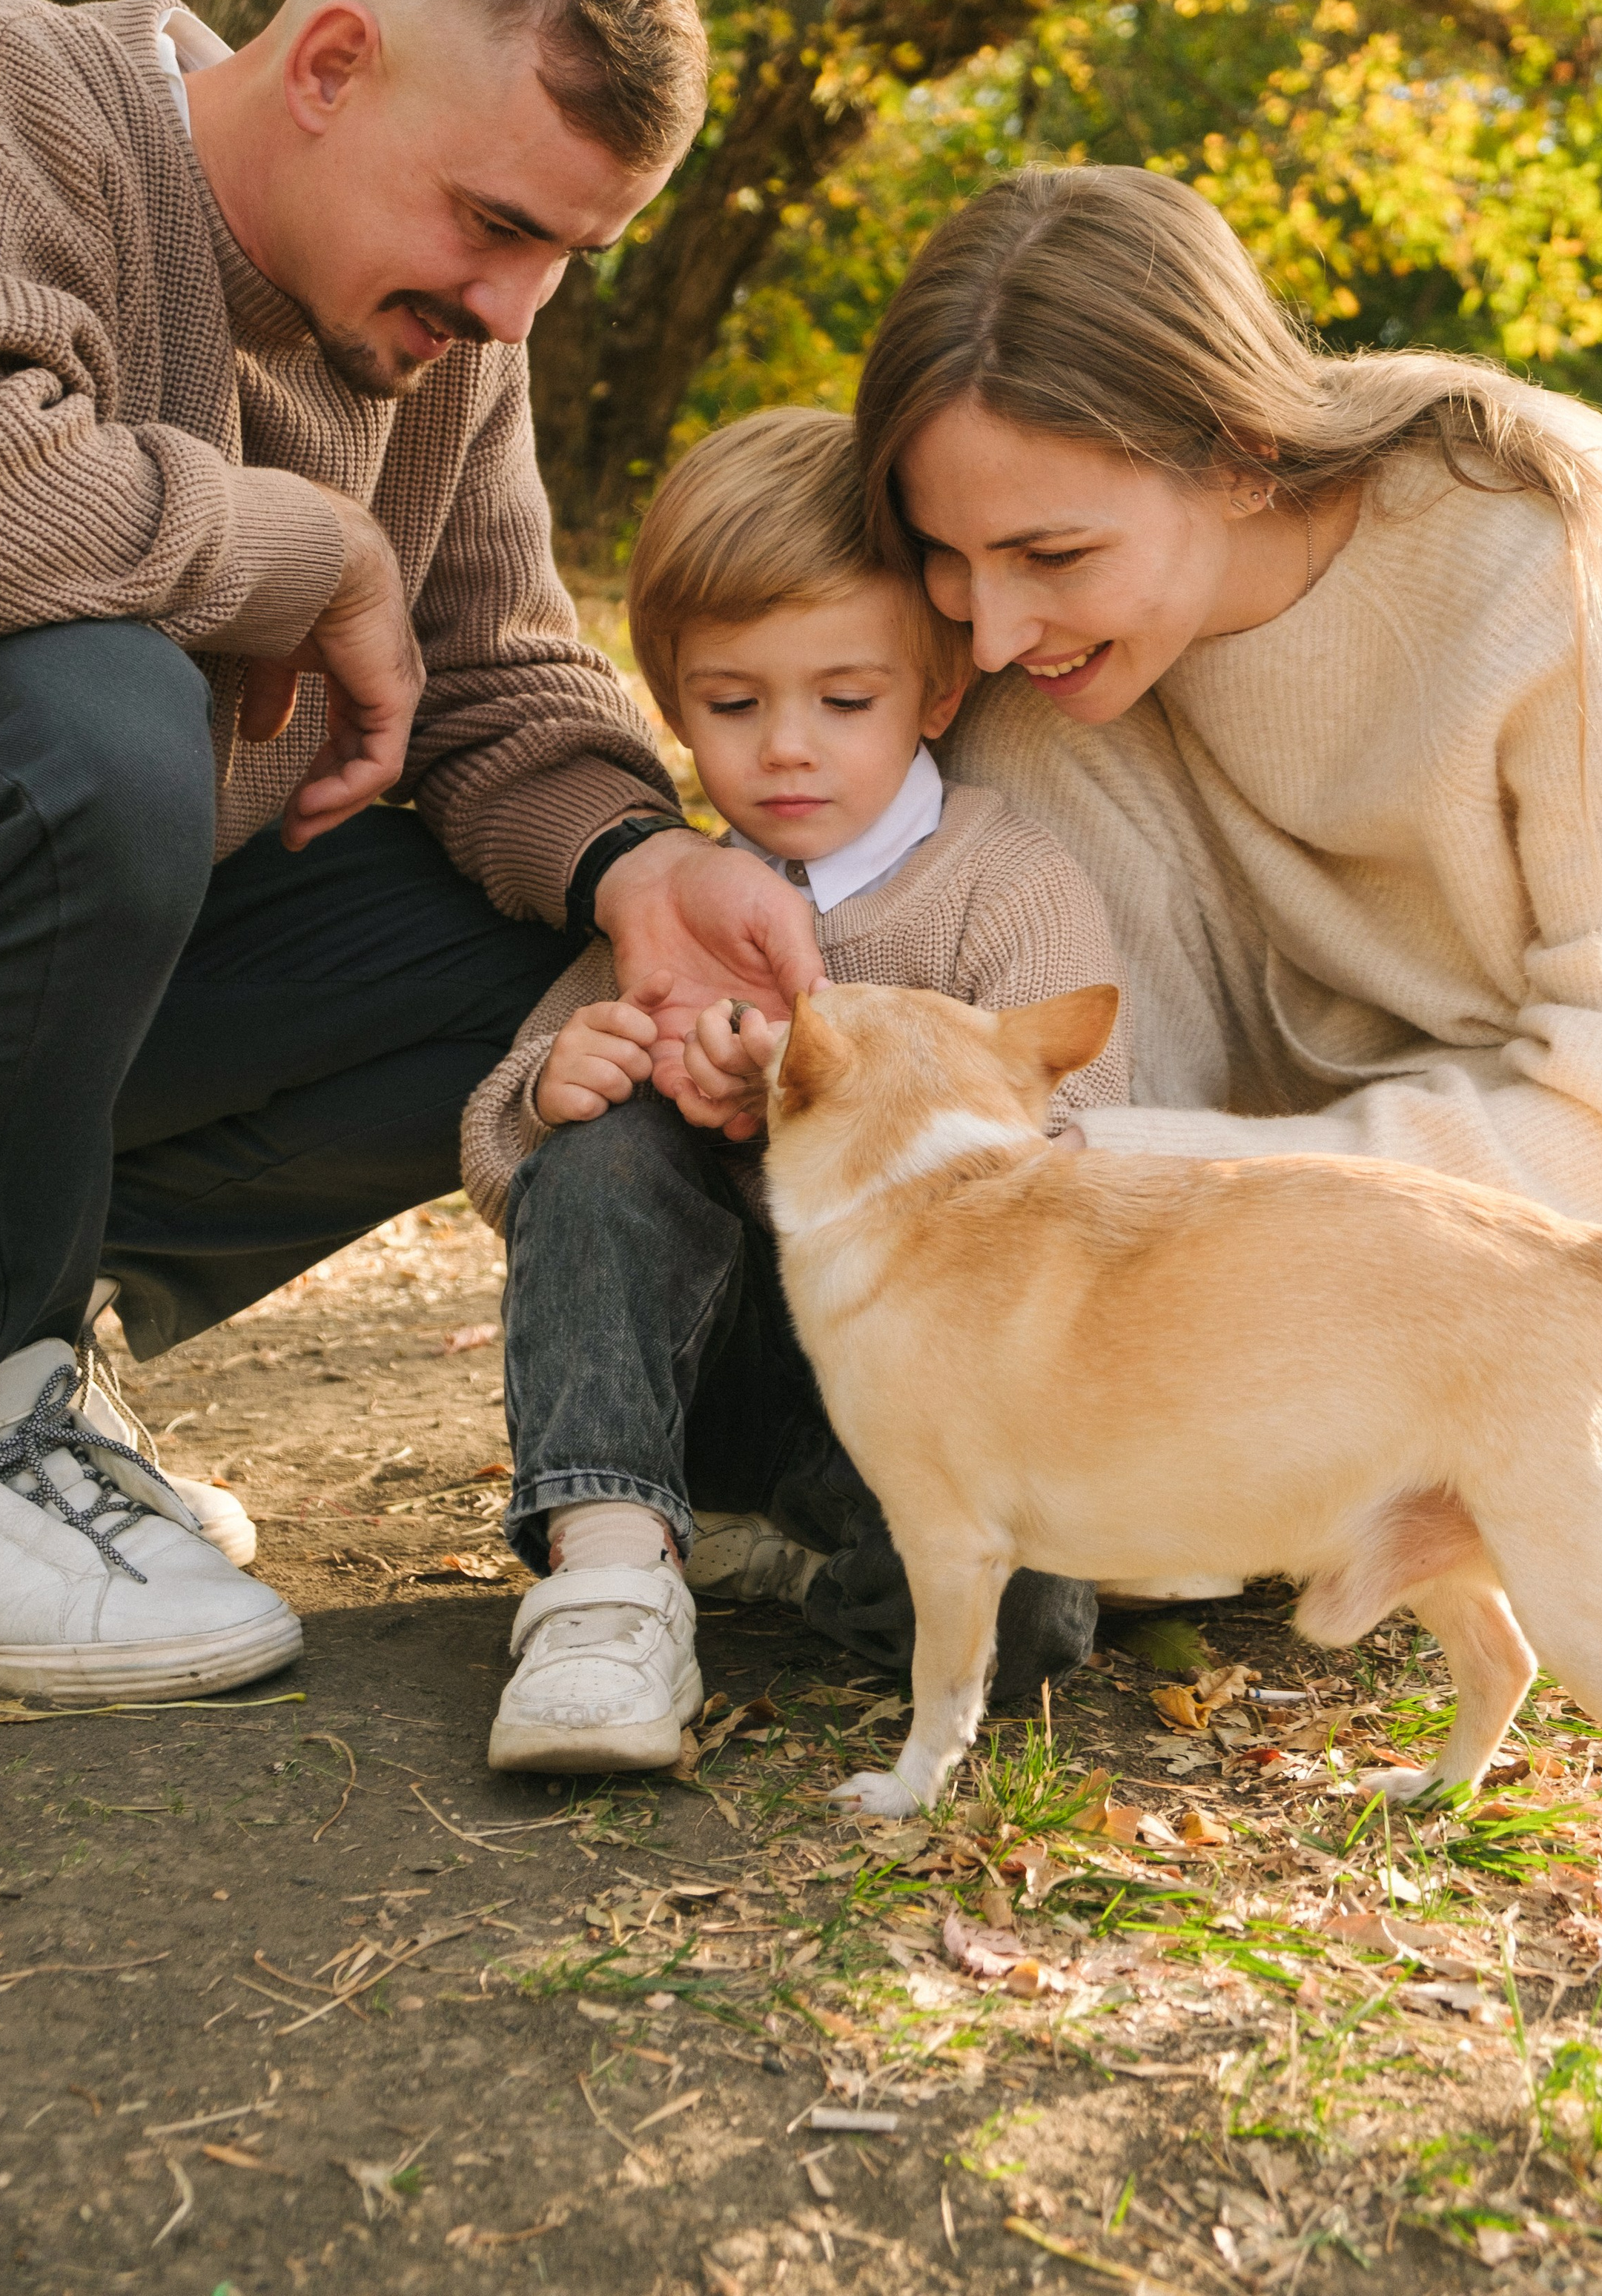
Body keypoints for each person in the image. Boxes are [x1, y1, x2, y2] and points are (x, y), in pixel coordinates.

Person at [0, 0, 824, 1707]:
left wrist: (641, 869)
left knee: (552, 939)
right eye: (498, 224)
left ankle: (30, 1341)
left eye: (565, 257)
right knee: (97, 717)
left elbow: (494, 673)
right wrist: (308, 547)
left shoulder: (444, 342)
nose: (514, 306)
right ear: (329, 65)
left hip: (13, 1010)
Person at [852, 165, 1602, 1597]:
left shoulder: (1571, 568)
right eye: (946, 557)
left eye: (1054, 555)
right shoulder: (1046, 684)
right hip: (1206, 1418)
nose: (988, 630)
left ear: (1241, 453)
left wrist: (1121, 1182)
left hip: (1580, 1407)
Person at [459, 408, 1131, 1773]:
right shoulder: (678, 899)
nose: (786, 749)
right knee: (609, 1141)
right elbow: (501, 1159)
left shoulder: (1005, 884)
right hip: (711, 1372)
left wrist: (813, 1108)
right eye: (733, 705)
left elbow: (1081, 1156)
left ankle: (808, 1571)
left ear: (935, 694)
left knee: (1036, 1624)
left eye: (845, 701)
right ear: (671, 703)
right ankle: (609, 1561)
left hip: (910, 1400)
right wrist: (556, 1092)